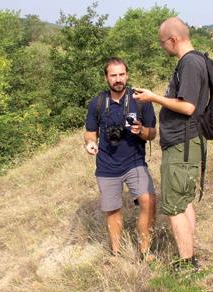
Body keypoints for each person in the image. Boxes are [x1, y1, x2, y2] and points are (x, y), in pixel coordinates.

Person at [133, 17, 209, 270]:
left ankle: (187, 264)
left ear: (174, 40)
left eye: (163, 42)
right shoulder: (196, 61)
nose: (162, 47)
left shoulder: (189, 64)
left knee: (174, 206)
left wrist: (154, 97)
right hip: (185, 143)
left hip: (182, 143)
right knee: (183, 200)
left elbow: (188, 106)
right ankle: (189, 255)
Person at [84, 57, 157, 257]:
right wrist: (90, 143)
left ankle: (145, 250)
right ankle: (117, 252)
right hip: (107, 165)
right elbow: (90, 132)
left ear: (127, 75)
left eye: (122, 74)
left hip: (135, 162)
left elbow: (152, 133)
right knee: (113, 209)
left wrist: (141, 130)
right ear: (106, 78)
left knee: (148, 201)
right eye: (113, 75)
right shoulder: (97, 103)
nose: (118, 79)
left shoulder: (140, 100)